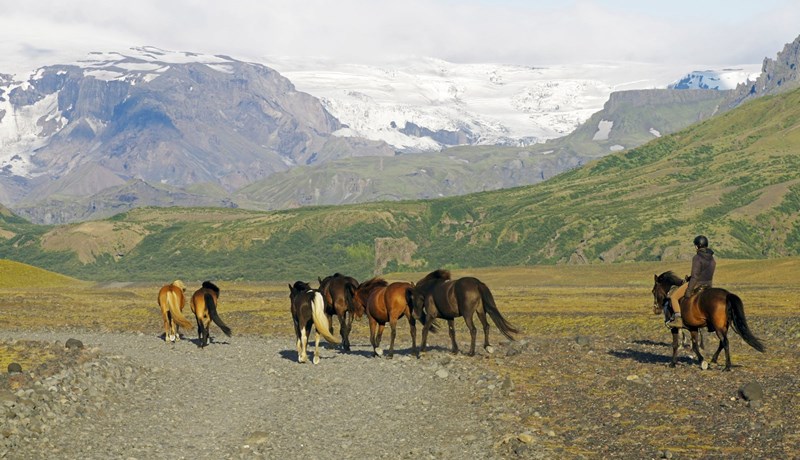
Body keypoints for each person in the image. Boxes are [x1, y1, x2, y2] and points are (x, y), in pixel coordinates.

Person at [666, 235, 716, 328]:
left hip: (697, 284)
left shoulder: (697, 257)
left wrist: (688, 291)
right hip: (708, 285)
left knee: (674, 297)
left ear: (697, 246)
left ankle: (678, 320)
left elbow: (695, 277)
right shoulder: (712, 258)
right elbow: (704, 273)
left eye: (695, 246)